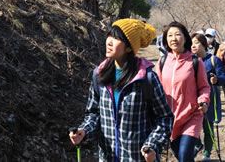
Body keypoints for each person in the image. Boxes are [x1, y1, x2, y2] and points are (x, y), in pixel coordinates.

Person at [69, 19, 174, 162]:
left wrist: (152, 144)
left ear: (129, 48)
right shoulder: (99, 75)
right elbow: (93, 114)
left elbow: (165, 118)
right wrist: (84, 131)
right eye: (109, 36)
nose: (109, 42)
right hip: (107, 157)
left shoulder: (146, 78)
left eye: (116, 38)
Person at [156, 21, 211, 162]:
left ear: (185, 38)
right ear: (165, 40)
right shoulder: (162, 62)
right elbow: (156, 90)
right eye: (170, 35)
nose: (173, 38)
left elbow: (204, 87)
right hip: (170, 119)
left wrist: (203, 101)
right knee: (181, 157)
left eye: (177, 35)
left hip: (191, 116)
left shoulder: (195, 61)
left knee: (184, 156)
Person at [191, 33, 225, 161]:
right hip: (192, 98)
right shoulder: (190, 60)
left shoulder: (213, 60)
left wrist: (216, 80)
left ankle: (207, 153)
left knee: (207, 127)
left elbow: (224, 78)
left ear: (204, 44)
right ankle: (198, 145)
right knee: (192, 127)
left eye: (196, 42)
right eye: (191, 43)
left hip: (209, 98)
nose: (193, 45)